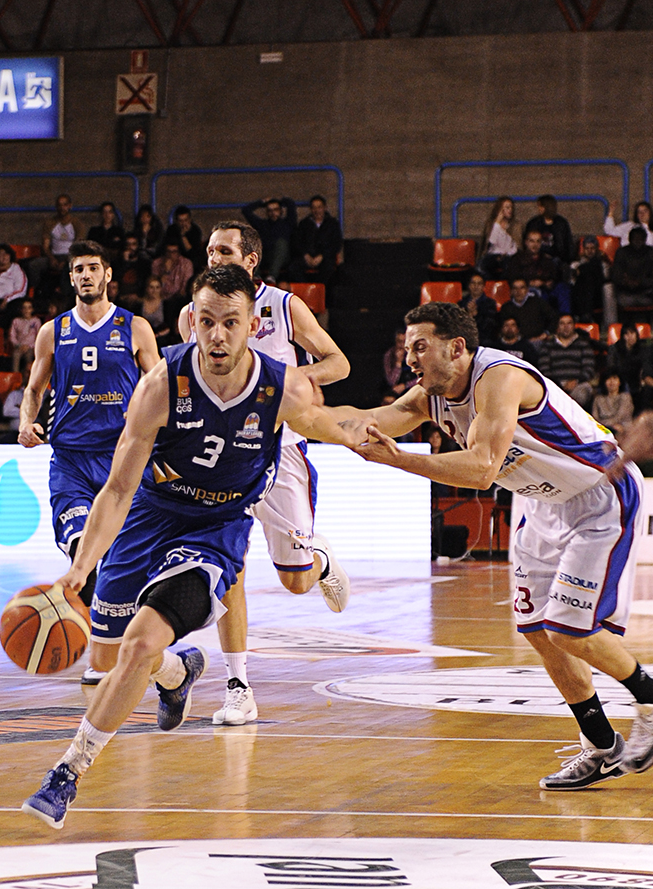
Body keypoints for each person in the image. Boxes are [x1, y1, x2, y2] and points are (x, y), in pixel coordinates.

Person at [21, 264, 359, 829]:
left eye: (231, 322)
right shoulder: (161, 385)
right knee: (106, 656)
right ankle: (177, 675)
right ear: (192, 323)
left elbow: (345, 426)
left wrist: (409, 422)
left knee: (137, 645)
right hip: (150, 514)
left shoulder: (280, 388)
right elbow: (120, 487)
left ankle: (66, 773)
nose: (218, 335)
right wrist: (81, 568)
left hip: (215, 527)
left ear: (253, 324)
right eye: (207, 322)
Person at [334, 301, 653, 791]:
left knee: (568, 630)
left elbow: (480, 469)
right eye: (405, 348)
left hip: (598, 495)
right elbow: (373, 419)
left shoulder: (499, 376)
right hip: (539, 505)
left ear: (456, 348)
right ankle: (601, 745)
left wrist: (399, 462)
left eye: (420, 347)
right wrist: (298, 415)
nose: (409, 359)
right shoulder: (429, 394)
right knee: (538, 631)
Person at [176, 221, 351, 726]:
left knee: (295, 583)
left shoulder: (284, 306)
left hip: (281, 449)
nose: (214, 256)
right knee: (229, 569)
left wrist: (295, 380)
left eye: (225, 250)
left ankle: (315, 557)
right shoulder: (194, 314)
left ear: (251, 261)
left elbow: (338, 363)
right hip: (222, 454)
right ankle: (238, 685)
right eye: (209, 250)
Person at [18, 240, 160, 654]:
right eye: (78, 269)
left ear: (108, 275)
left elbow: (160, 386)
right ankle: (100, 645)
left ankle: (127, 643)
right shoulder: (53, 331)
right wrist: (28, 421)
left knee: (122, 558)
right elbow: (33, 388)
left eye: (93, 268)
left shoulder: (134, 327)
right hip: (71, 461)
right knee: (85, 549)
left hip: (124, 459)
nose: (86, 275)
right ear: (70, 278)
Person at [607, 226, 653, 327]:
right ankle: (610, 328)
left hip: (647, 294)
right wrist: (626, 282)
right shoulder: (621, 252)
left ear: (645, 240)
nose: (637, 242)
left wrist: (641, 282)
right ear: (629, 240)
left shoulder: (652, 252)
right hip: (625, 294)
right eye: (634, 239)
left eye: (640, 239)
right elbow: (615, 276)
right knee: (607, 288)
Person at [29, 194, 86, 301]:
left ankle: (67, 296)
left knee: (72, 267)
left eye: (65, 205)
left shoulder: (77, 223)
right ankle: (36, 293)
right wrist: (51, 258)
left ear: (70, 206)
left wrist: (66, 260)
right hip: (53, 256)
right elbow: (45, 246)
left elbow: (78, 246)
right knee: (34, 265)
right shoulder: (50, 223)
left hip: (70, 257)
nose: (62, 208)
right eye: (59, 205)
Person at [538, 314, 596, 409]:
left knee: (583, 391)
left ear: (574, 326)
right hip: (555, 385)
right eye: (562, 323)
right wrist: (559, 385)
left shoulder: (583, 344)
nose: (566, 327)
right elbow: (544, 369)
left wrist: (576, 381)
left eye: (569, 323)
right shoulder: (547, 346)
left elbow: (589, 369)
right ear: (557, 326)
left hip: (578, 384)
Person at [504, 230, 570, 314]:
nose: (535, 245)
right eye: (532, 241)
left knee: (563, 288)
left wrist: (548, 282)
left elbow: (554, 275)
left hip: (546, 288)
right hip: (528, 289)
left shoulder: (546, 259)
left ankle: (565, 318)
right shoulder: (516, 259)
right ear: (526, 242)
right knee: (536, 293)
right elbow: (513, 278)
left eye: (538, 241)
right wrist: (529, 283)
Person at [288, 195, 343, 286]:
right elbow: (297, 242)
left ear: (325, 208)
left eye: (319, 207)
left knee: (329, 271)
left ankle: (319, 292)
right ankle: (306, 291)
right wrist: (305, 255)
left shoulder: (332, 224)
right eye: (313, 208)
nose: (316, 210)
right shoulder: (304, 224)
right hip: (306, 257)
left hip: (325, 258)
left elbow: (336, 244)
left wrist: (322, 256)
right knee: (293, 268)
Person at [242, 196, 297, 282]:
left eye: (276, 210)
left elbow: (291, 204)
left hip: (283, 259)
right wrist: (261, 202)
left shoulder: (288, 223)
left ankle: (272, 276)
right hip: (266, 258)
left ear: (281, 211)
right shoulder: (263, 224)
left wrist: (280, 200)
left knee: (281, 243)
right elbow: (246, 210)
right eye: (270, 210)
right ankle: (256, 275)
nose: (273, 213)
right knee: (252, 245)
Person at [497, 278, 557, 343]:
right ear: (511, 291)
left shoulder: (538, 303)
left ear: (527, 290)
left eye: (521, 288)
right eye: (515, 288)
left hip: (538, 341)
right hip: (515, 343)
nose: (518, 291)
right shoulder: (506, 307)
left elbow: (554, 318)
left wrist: (546, 334)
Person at [569, 235, 612, 323]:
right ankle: (585, 316)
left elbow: (605, 279)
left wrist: (581, 270)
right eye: (587, 248)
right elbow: (572, 282)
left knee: (593, 270)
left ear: (596, 249)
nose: (590, 251)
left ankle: (586, 315)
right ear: (583, 249)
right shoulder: (575, 264)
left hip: (597, 294)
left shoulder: (603, 264)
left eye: (592, 248)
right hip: (580, 294)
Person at [524, 194, 574, 267]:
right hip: (537, 256)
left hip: (556, 258)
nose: (538, 209)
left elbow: (567, 245)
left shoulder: (561, 223)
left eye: (540, 206)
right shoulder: (534, 223)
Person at [477, 196, 521, 279]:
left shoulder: (516, 225)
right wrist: (497, 223)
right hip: (493, 255)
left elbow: (517, 245)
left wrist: (506, 253)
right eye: (507, 207)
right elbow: (491, 242)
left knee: (509, 265)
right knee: (481, 266)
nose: (510, 210)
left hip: (509, 255)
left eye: (511, 207)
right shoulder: (491, 224)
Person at [162, 205, 207, 272]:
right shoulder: (171, 229)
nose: (183, 224)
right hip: (174, 256)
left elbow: (192, 252)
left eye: (185, 220)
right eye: (180, 221)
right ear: (176, 221)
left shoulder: (196, 230)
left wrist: (183, 235)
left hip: (190, 258)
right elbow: (168, 246)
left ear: (189, 219)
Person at [591, 369, 633, 439]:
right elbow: (595, 418)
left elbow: (620, 417)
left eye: (614, 378)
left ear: (620, 382)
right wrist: (608, 426)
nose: (612, 381)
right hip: (603, 429)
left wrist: (608, 425)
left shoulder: (625, 397)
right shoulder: (598, 399)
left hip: (622, 427)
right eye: (608, 379)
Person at [607, 322, 645, 396]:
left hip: (635, 380)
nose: (630, 337)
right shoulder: (614, 348)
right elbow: (611, 367)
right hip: (621, 380)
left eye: (632, 333)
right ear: (623, 336)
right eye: (627, 334)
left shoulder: (641, 349)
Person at [461, 272, 499, 345]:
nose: (476, 286)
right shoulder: (462, 303)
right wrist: (468, 314)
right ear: (469, 285)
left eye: (479, 284)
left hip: (484, 339)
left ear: (484, 286)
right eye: (473, 283)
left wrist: (476, 315)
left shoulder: (490, 304)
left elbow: (490, 327)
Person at [7, 298, 41, 378]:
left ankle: (28, 378)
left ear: (32, 309)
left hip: (31, 347)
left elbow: (38, 337)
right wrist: (18, 345)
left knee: (29, 355)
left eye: (29, 307)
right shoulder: (16, 321)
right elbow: (12, 336)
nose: (26, 310)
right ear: (21, 310)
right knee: (16, 355)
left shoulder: (36, 321)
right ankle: (15, 378)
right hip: (19, 346)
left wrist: (29, 346)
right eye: (24, 308)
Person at [382, 328, 415, 404]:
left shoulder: (415, 354)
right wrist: (398, 362)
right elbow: (391, 381)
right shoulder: (389, 355)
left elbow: (423, 377)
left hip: (412, 388)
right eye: (399, 342)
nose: (402, 345)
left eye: (404, 342)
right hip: (396, 391)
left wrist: (405, 385)